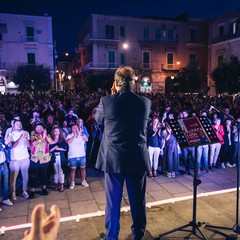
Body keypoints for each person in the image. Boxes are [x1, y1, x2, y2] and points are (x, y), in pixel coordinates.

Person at [94, 66, 151, 240]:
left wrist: (112, 95)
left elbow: (98, 119)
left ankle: (112, 236)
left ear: (116, 83)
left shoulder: (106, 101)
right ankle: (138, 235)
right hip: (136, 158)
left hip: (114, 160)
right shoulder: (145, 102)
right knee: (138, 202)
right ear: (133, 83)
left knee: (113, 203)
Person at [28, 122, 53, 199]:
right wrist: (43, 137)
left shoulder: (47, 135)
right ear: (35, 129)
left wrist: (46, 136)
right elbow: (34, 143)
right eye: (37, 127)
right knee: (33, 175)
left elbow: (51, 142)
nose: (39, 129)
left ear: (43, 129)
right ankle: (32, 190)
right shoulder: (33, 135)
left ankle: (44, 188)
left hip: (44, 158)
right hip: (35, 158)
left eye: (41, 127)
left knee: (44, 174)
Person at [7, 120, 30, 200]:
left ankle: (25, 190)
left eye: (20, 124)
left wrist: (26, 138)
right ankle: (13, 193)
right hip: (14, 159)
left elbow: (29, 145)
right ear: (13, 125)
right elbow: (12, 146)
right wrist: (21, 137)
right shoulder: (10, 134)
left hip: (25, 157)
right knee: (13, 177)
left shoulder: (25, 133)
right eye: (17, 124)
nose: (19, 125)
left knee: (25, 176)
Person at [66, 124, 89, 189]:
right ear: (72, 129)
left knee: (83, 169)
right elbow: (68, 142)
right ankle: (72, 182)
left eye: (76, 128)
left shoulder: (82, 135)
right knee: (73, 169)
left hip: (82, 155)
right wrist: (74, 136)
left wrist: (81, 134)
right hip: (73, 156)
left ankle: (83, 180)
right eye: (74, 128)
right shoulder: (69, 135)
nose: (75, 129)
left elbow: (86, 140)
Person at [49, 126, 68, 192]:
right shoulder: (51, 140)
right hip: (54, 157)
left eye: (58, 131)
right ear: (53, 132)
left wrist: (58, 148)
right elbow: (49, 150)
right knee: (55, 171)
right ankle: (56, 184)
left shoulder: (62, 140)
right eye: (55, 131)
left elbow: (65, 149)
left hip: (61, 156)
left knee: (61, 171)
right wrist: (54, 148)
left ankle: (62, 185)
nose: (56, 132)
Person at [0, 127, 13, 208]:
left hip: (3, 163)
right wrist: (5, 143)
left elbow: (6, 148)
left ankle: (5, 199)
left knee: (5, 183)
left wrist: (8, 144)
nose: (1, 131)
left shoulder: (1, 138)